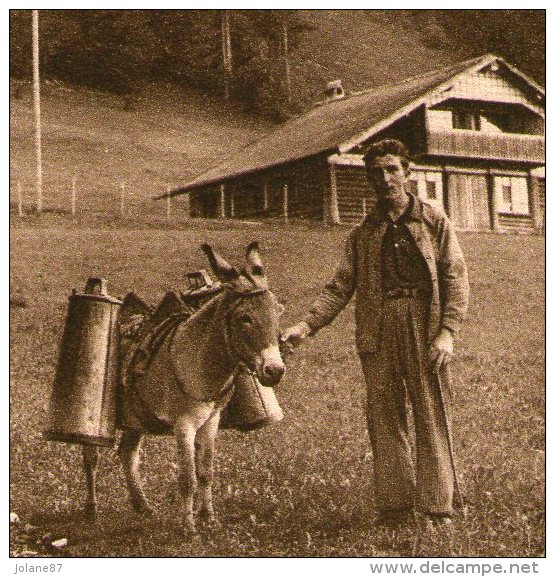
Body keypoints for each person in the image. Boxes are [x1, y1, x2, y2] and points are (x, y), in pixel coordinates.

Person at [281, 139, 469, 527]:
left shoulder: (433, 220)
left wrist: (447, 332)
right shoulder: (364, 233)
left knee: (430, 411)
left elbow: (455, 277)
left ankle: (438, 507)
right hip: (378, 326)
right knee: (384, 415)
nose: (384, 179)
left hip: (424, 322)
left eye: (391, 170)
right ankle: (396, 507)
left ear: (407, 173)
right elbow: (340, 285)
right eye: (376, 172)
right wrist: (307, 325)